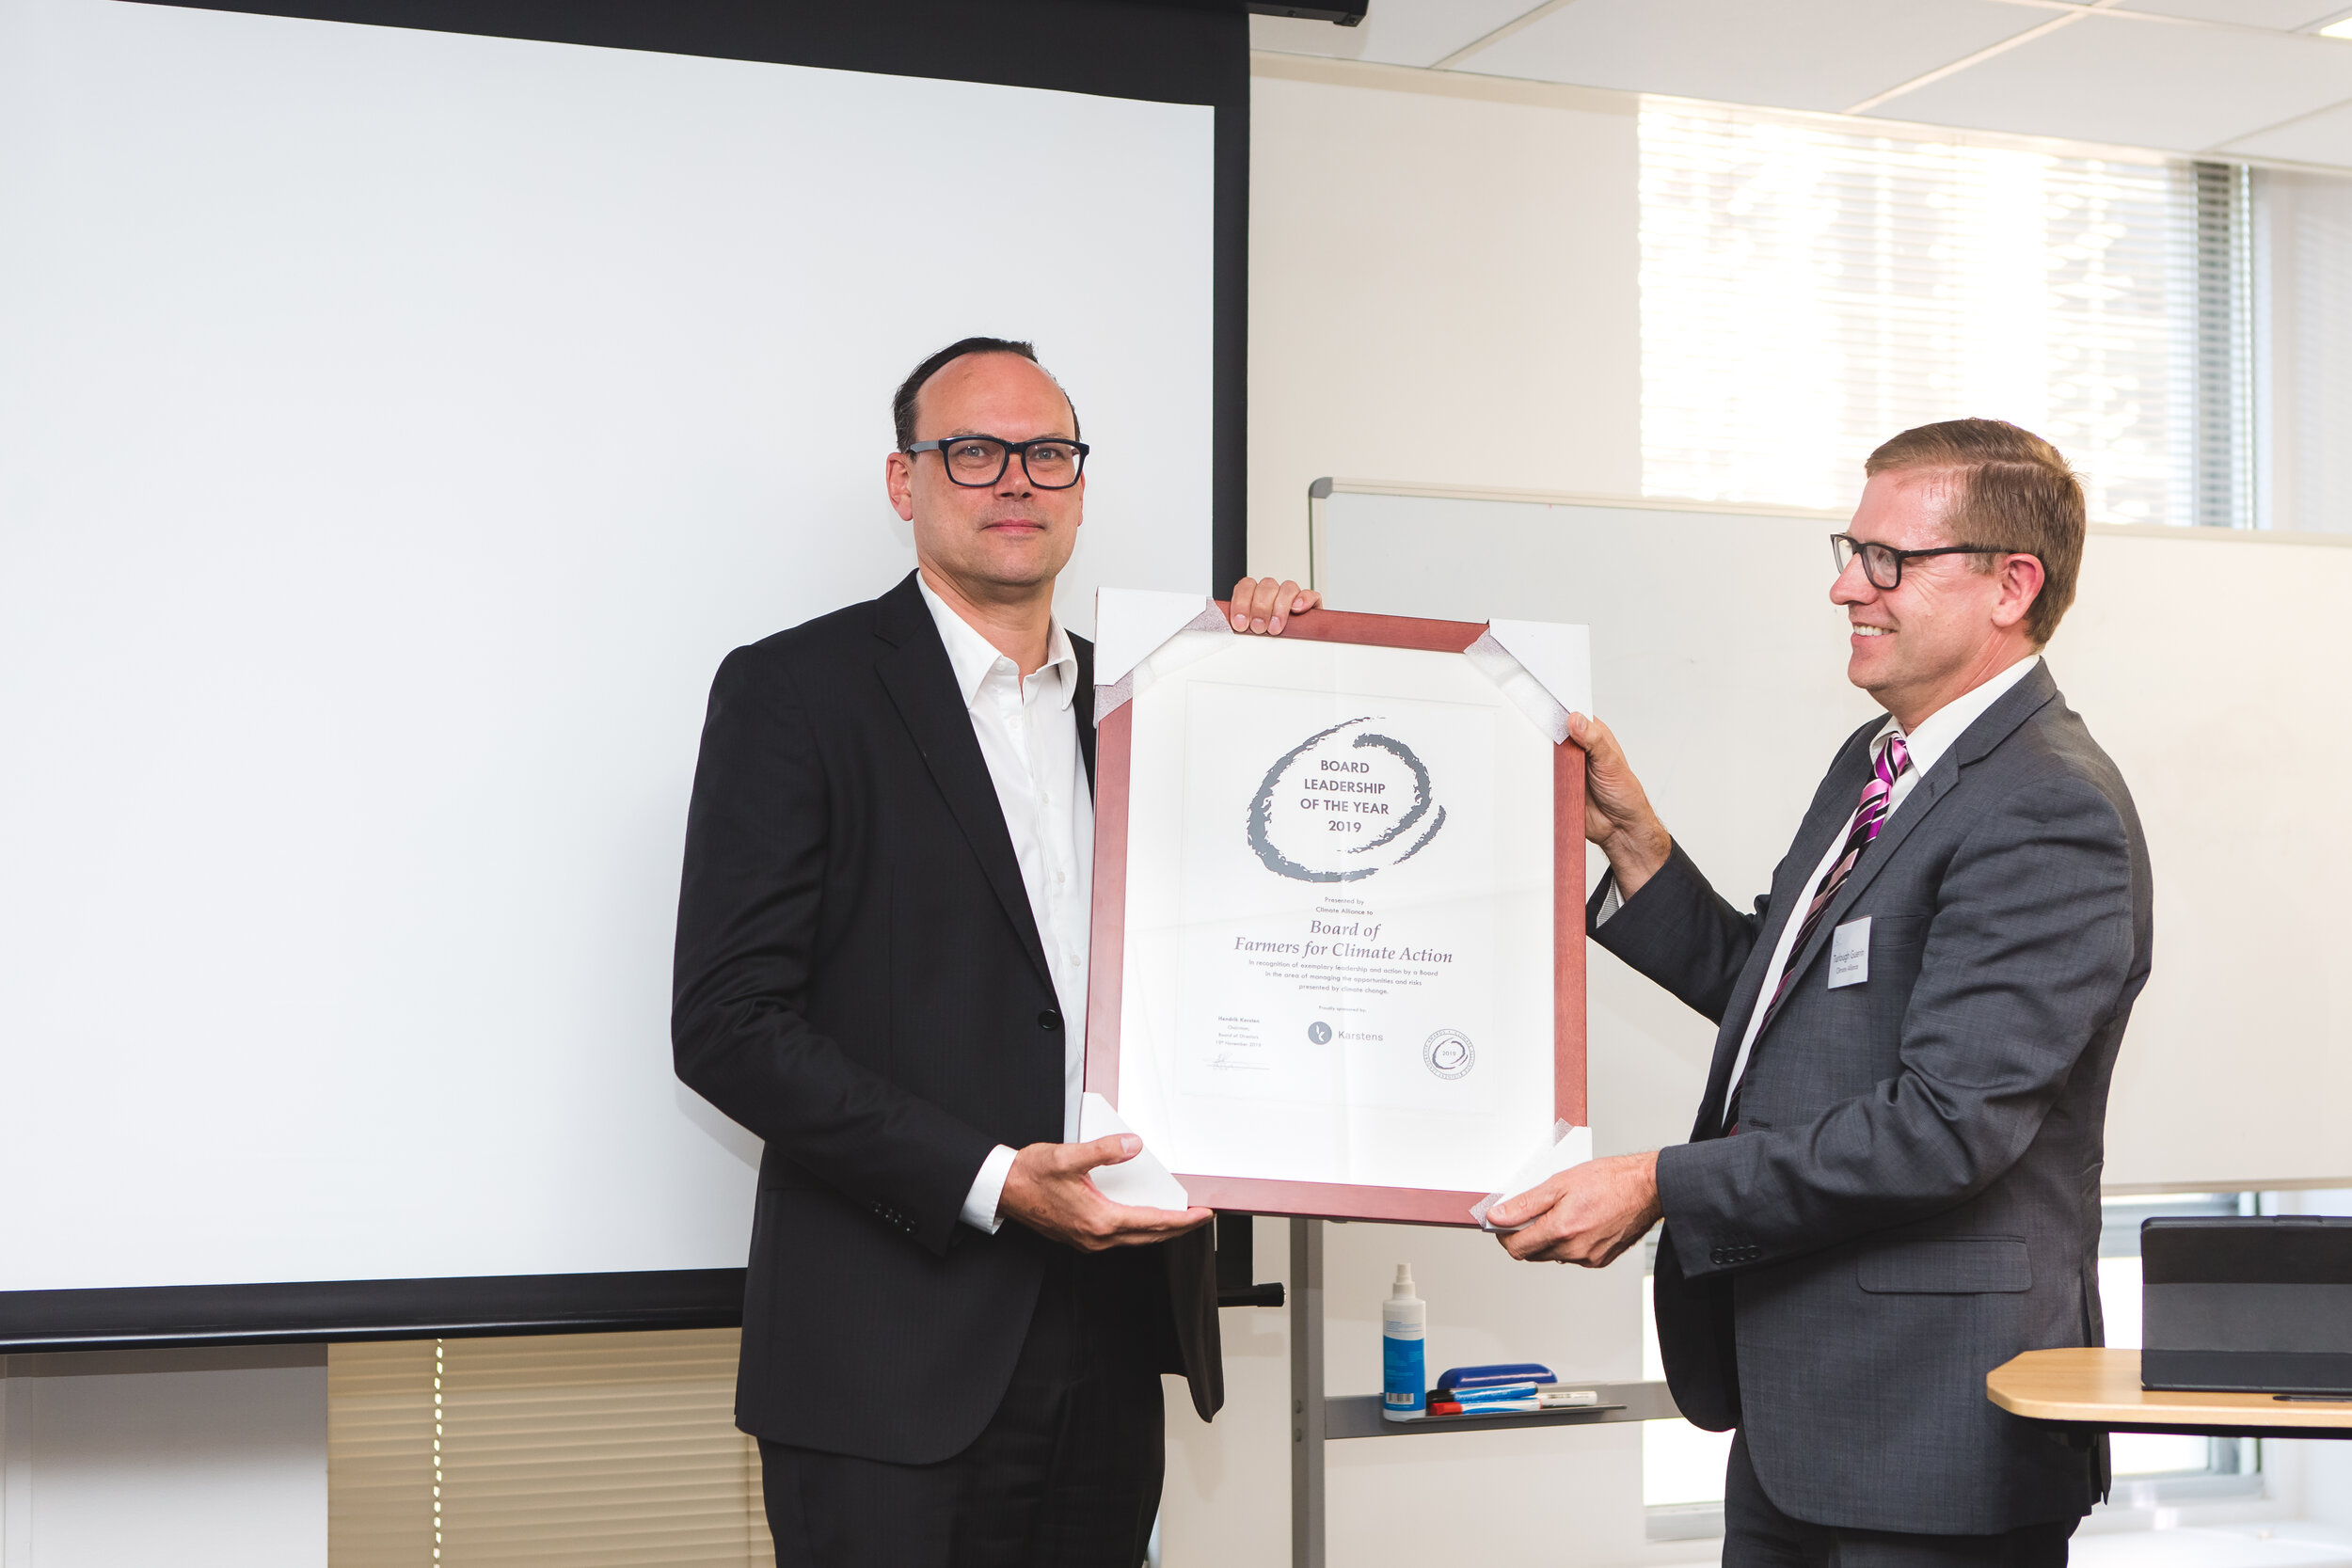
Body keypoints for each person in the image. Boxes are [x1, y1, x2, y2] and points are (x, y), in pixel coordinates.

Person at [671, 335, 1322, 1568]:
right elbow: (727, 1021)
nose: (1015, 478)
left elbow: (1270, 916)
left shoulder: (1151, 706)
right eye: (972, 451)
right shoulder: (795, 692)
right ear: (904, 482)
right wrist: (993, 1177)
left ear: (1080, 485)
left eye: (1047, 452)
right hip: (888, 1362)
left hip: (1115, 1336)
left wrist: (1274, 670)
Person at [1487, 419, 2152, 1564]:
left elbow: (1944, 1128)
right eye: (1851, 549)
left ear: (2011, 584)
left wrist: (1659, 1182)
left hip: (1935, 1432)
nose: (1847, 584)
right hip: (1801, 1411)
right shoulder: (1876, 760)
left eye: (1888, 559)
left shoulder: (2050, 808)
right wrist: (1638, 847)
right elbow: (1789, 1005)